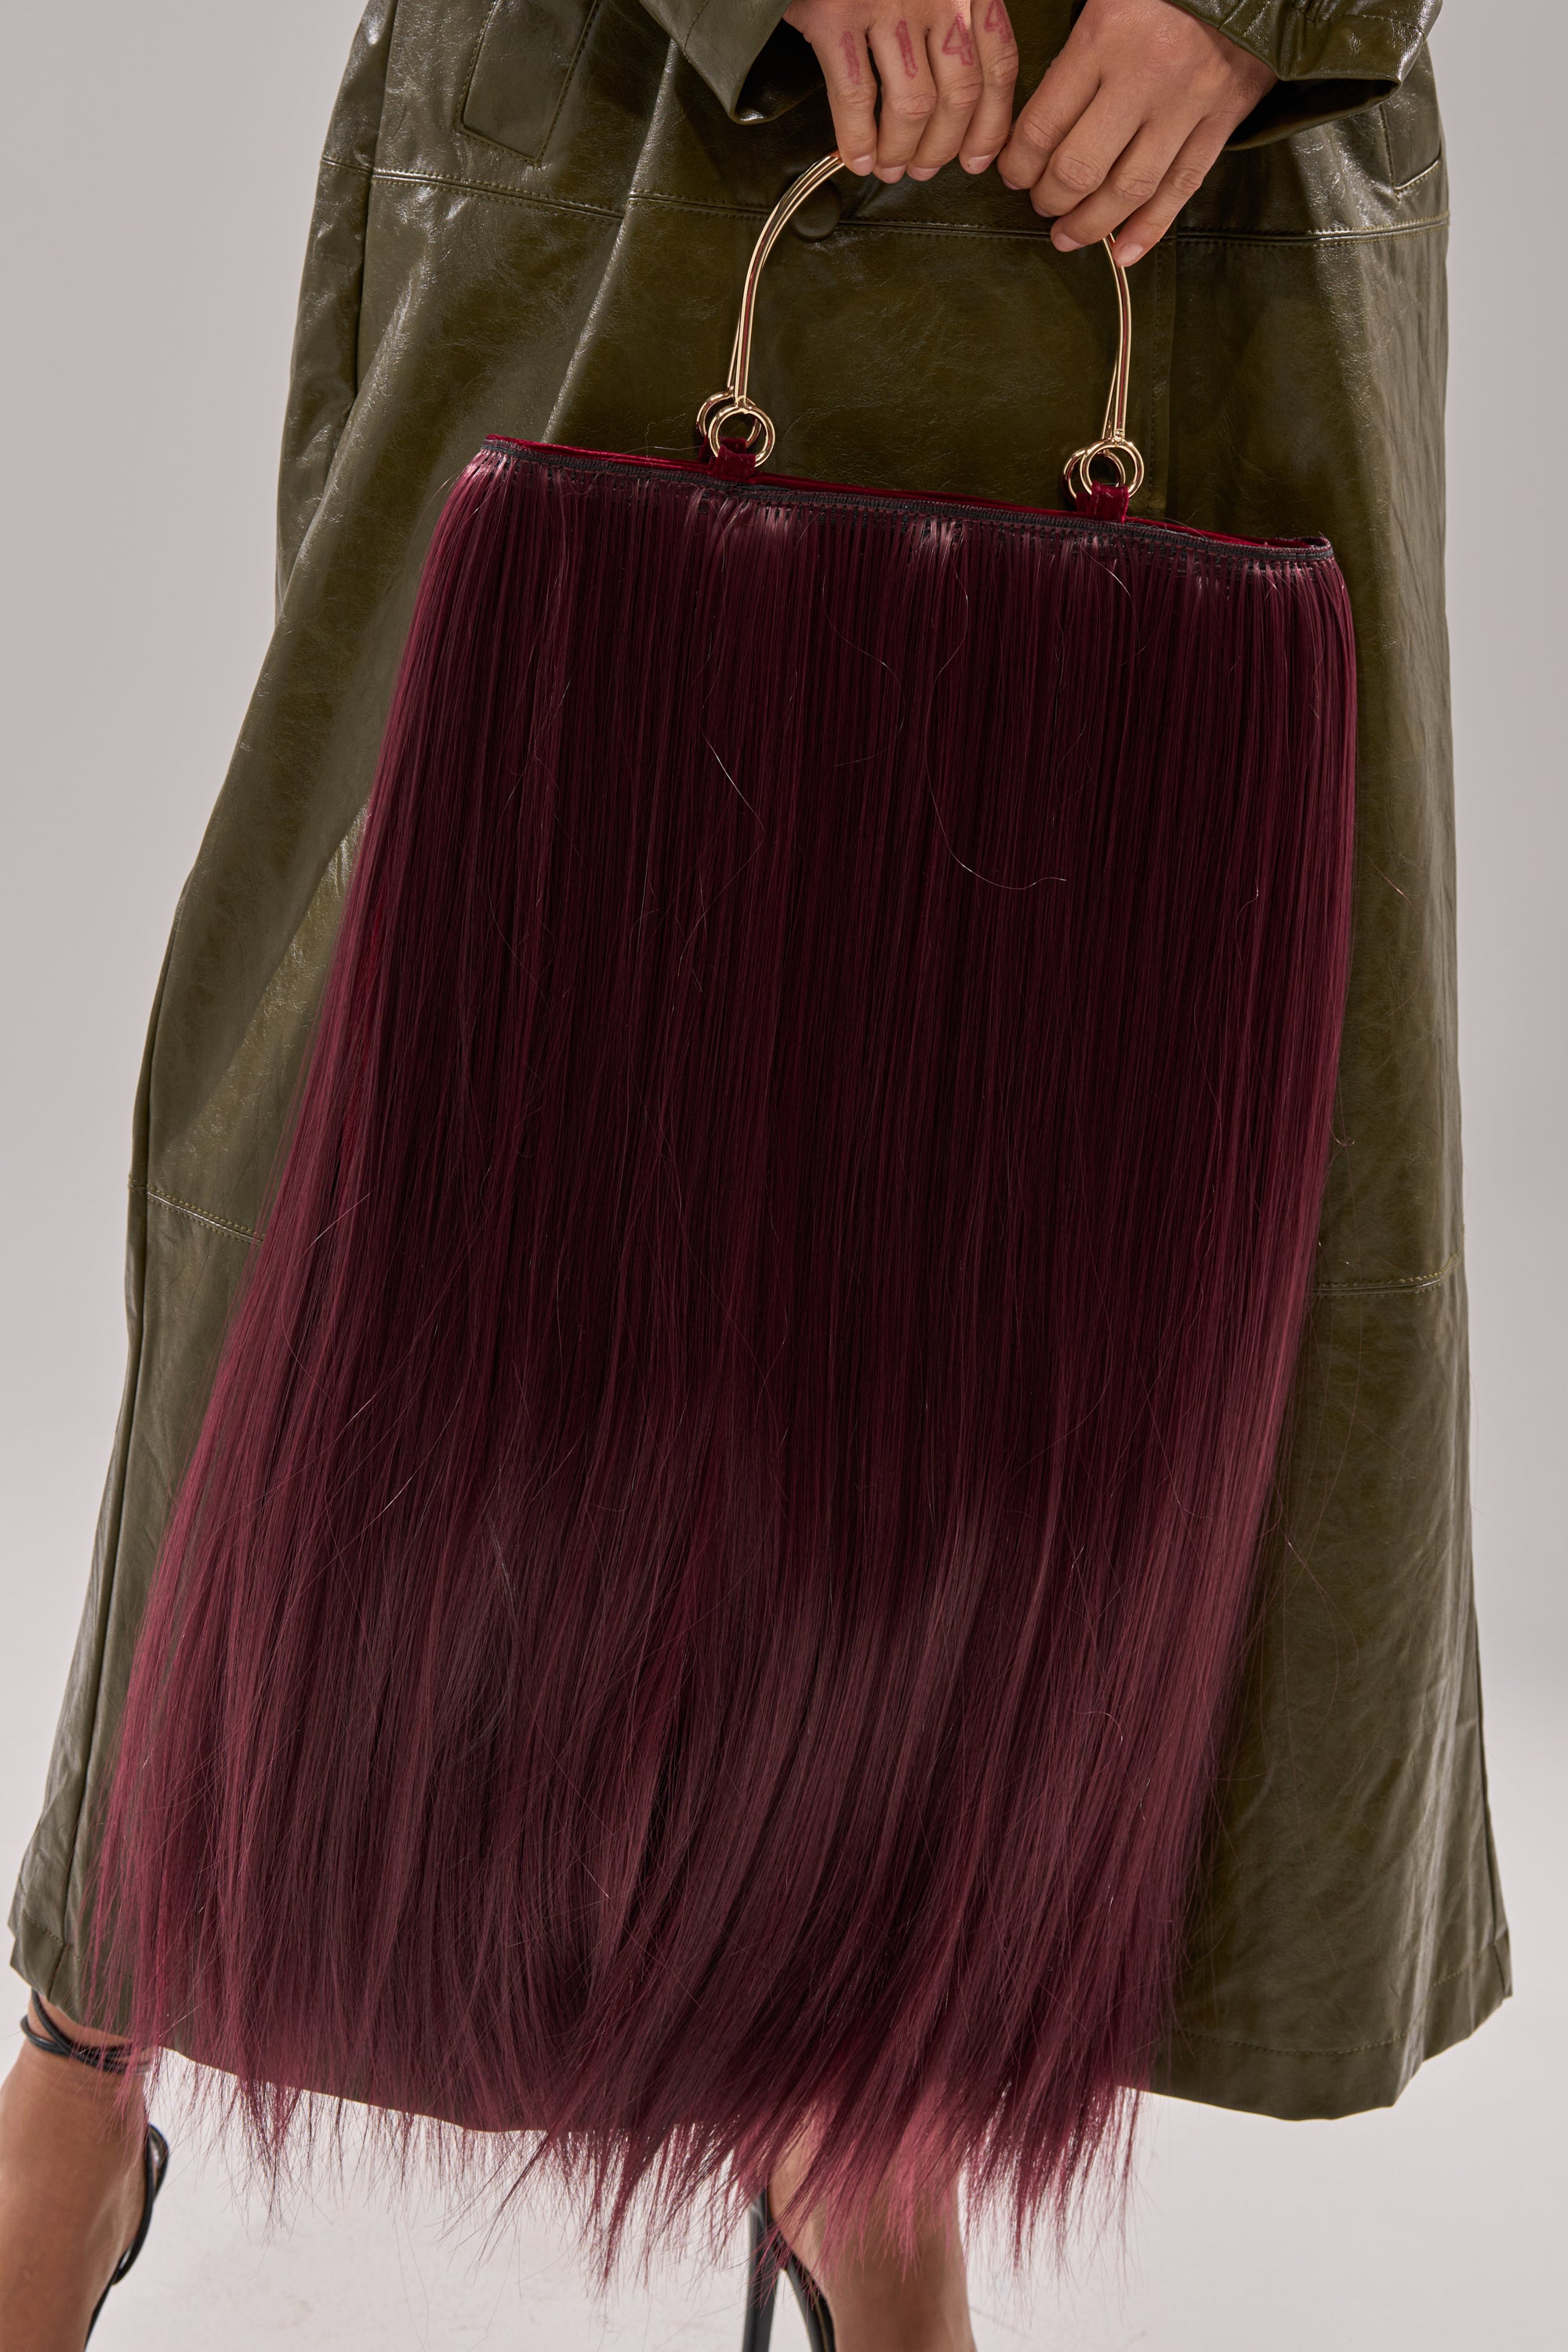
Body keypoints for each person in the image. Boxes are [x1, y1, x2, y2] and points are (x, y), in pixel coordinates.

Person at [0, 3, 1507, 2347]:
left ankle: (862, 2083)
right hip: (640, 121)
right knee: (372, 1161)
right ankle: (88, 2061)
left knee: (1031, 1218)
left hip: (1201, 183)